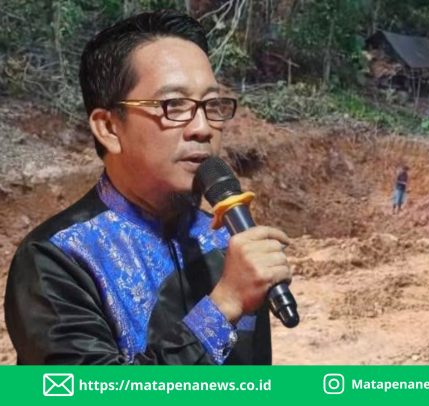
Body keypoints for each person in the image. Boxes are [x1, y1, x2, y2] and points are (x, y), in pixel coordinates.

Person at [3, 10, 292, 365]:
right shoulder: (56, 259)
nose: (203, 128)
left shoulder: (227, 241)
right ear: (109, 128)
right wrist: (224, 305)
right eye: (174, 105)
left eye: (211, 104)